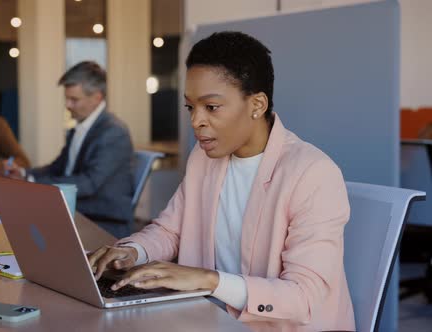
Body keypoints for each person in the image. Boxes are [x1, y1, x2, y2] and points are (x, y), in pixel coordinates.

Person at [88, 32, 355, 331]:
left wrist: (207, 280)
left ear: (257, 104)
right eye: (191, 107)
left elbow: (304, 297)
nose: (196, 121)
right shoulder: (203, 158)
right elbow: (170, 230)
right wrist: (134, 251)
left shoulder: (312, 173)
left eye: (211, 107)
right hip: (210, 318)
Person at [6, 61, 134, 238]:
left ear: (97, 97)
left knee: (21, 229)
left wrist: (32, 187)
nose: (67, 105)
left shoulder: (113, 132)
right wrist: (25, 174)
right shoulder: (82, 127)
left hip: (103, 223)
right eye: (66, 98)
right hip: (77, 213)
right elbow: (57, 167)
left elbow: (89, 184)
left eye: (74, 99)